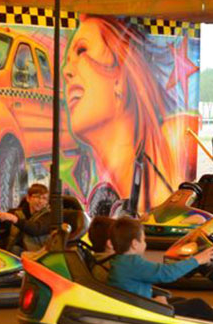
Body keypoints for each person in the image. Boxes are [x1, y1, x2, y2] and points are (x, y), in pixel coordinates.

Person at [62, 16, 197, 216]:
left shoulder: (177, 138)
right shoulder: (95, 184)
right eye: (67, 61)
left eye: (81, 51)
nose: (66, 71)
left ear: (120, 78)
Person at [104, 217, 213, 320]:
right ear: (134, 244)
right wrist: (197, 260)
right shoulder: (132, 263)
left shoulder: (120, 260)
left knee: (180, 300)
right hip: (139, 313)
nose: (145, 243)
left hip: (136, 305)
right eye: (143, 239)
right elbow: (167, 273)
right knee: (197, 304)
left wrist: (154, 301)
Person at [0, 183, 52, 253]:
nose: (40, 201)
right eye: (37, 197)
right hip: (13, 250)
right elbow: (3, 232)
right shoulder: (16, 213)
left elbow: (35, 229)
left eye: (44, 198)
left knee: (15, 249)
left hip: (37, 254)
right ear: (28, 198)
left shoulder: (49, 215)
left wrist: (15, 220)